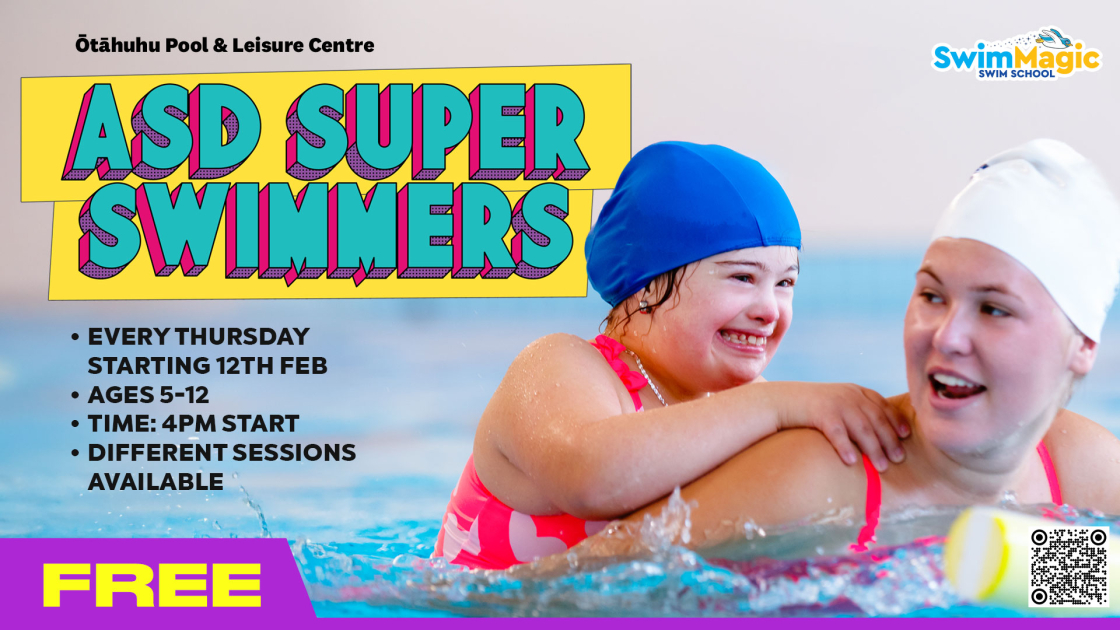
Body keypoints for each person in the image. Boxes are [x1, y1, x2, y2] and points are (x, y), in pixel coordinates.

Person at [577, 139, 1120, 559]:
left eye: (994, 309)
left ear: (1083, 348)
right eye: (931, 295)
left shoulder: (1084, 476)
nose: (946, 337)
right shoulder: (818, 477)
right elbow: (561, 590)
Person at [433, 142, 910, 569]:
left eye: (785, 283)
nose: (770, 310)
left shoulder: (750, 406)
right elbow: (589, 478)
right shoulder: (560, 366)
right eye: (743, 278)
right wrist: (777, 406)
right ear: (645, 285)